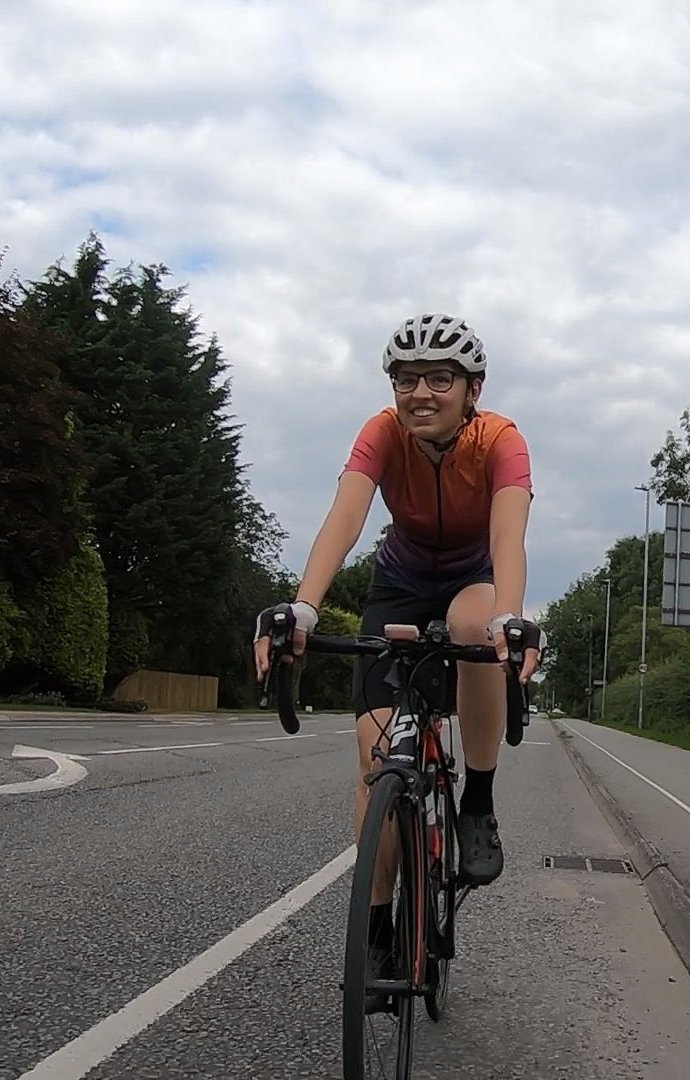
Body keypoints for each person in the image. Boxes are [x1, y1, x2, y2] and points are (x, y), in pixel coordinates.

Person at [251, 312, 542, 999]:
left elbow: (510, 534)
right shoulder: (381, 434)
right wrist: (304, 607)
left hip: (474, 577)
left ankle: (478, 802)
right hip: (401, 583)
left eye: (439, 378)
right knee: (375, 757)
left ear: (472, 389)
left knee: (476, 622)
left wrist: (511, 617)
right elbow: (345, 518)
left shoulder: (502, 440)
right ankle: (378, 923)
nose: (420, 393)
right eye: (406, 379)